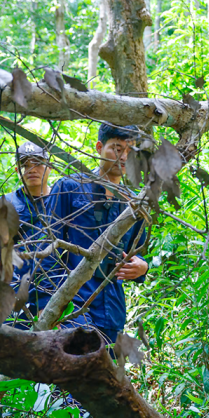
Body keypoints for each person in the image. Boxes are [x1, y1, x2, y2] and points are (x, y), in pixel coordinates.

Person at [51, 124, 149, 344]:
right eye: (117, 148)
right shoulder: (69, 187)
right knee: (72, 369)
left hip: (111, 309)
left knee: (104, 373)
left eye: (130, 151)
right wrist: (46, 305)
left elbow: (138, 251)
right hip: (71, 305)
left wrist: (143, 267)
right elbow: (48, 248)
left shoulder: (133, 203)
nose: (124, 157)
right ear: (98, 147)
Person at [2, 141, 64, 329]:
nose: (32, 169)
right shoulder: (7, 203)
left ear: (49, 167)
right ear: (16, 170)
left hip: (57, 293)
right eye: (25, 165)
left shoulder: (62, 200)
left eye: (37, 163)